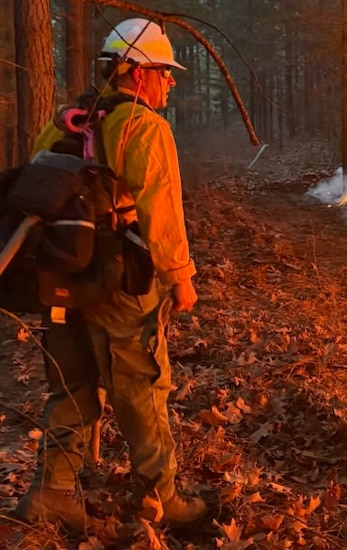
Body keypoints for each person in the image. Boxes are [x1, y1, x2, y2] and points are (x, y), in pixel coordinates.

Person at [14, 18, 205, 530]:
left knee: (72, 385)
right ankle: (161, 498)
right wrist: (181, 277)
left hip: (62, 275)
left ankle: (50, 492)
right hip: (120, 280)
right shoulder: (144, 127)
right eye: (164, 72)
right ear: (138, 74)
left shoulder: (66, 120)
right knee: (141, 386)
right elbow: (161, 210)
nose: (170, 82)